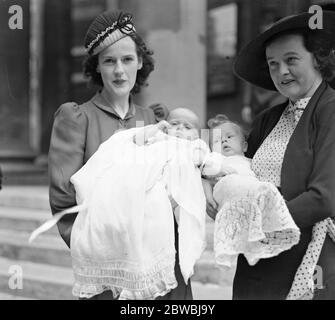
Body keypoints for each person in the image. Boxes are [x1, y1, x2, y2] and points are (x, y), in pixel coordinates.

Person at [48, 10, 189, 300]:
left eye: (127, 59)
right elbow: (63, 199)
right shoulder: (77, 118)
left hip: (161, 265)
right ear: (97, 67)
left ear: (140, 61)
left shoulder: (155, 119)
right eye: (109, 61)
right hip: (108, 270)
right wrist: (98, 252)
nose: (119, 71)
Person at [229, 10, 335, 299]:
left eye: (291, 60)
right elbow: (243, 172)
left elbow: (325, 196)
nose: (281, 71)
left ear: (317, 58)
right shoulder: (268, 118)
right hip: (258, 262)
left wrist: (260, 222)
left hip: (308, 259)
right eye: (273, 64)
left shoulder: (330, 109)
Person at [202, 115, 300, 269]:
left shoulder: (251, 163)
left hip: (249, 194)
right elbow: (204, 177)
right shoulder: (216, 160)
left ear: (245, 146)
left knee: (262, 188)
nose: (223, 141)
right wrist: (208, 196)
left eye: (229, 137)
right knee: (236, 183)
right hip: (229, 189)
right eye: (217, 141)